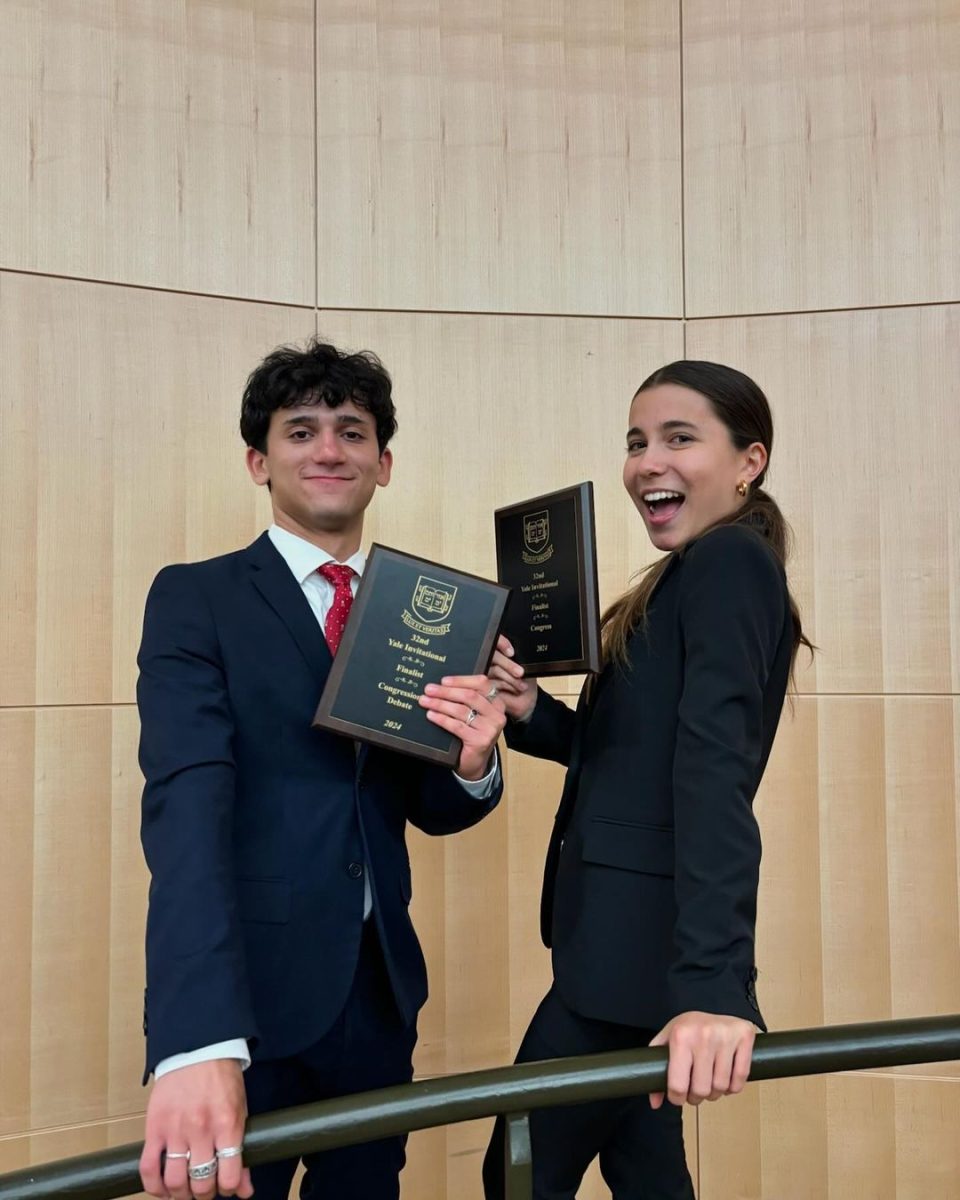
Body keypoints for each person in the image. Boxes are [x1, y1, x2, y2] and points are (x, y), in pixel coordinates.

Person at [136, 338, 506, 1200]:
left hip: (378, 996)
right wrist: (197, 1040)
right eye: (301, 431)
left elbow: (427, 805)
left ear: (385, 462)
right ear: (258, 461)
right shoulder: (197, 598)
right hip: (247, 1002)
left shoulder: (419, 613)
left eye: (351, 430)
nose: (329, 449)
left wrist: (473, 762)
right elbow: (186, 810)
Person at [482, 360, 813, 1199]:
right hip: (626, 953)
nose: (647, 461)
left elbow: (711, 775)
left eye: (679, 438)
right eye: (636, 442)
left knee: (516, 1172)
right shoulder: (687, 574)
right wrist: (532, 713)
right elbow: (629, 754)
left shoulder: (730, 565)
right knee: (647, 1169)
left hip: (634, 966)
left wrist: (714, 988)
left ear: (749, 461)